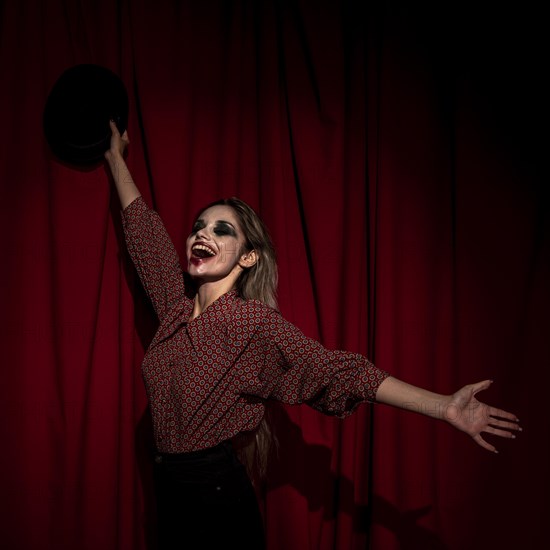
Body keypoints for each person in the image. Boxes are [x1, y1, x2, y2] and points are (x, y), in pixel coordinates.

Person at [104, 121, 521, 549]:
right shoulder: (175, 311)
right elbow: (143, 231)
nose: (202, 233)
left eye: (221, 229)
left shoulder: (252, 323)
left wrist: (442, 407)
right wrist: (115, 157)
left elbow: (336, 371)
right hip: (170, 492)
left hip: (214, 498)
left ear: (248, 257)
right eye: (199, 226)